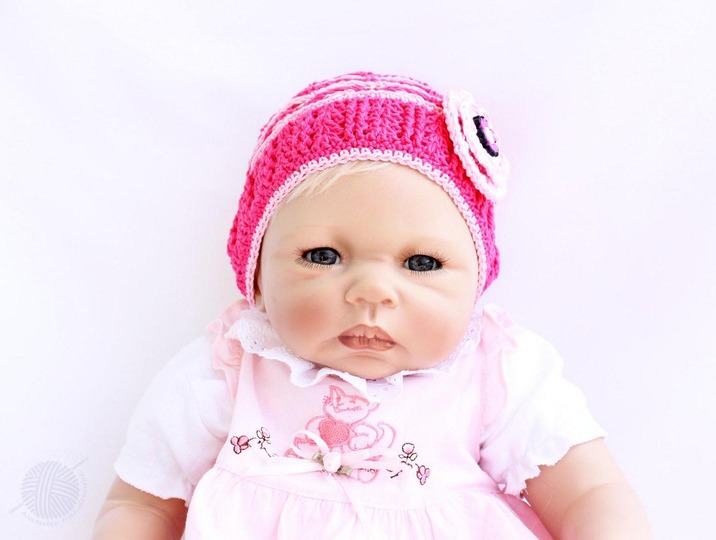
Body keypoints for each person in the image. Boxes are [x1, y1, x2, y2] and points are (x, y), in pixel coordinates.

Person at [93, 72, 650, 539]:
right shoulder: (232, 368)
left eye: (422, 263)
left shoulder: (497, 371)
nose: (372, 292)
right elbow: (143, 504)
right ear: (256, 274)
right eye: (322, 255)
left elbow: (589, 492)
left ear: (477, 282)